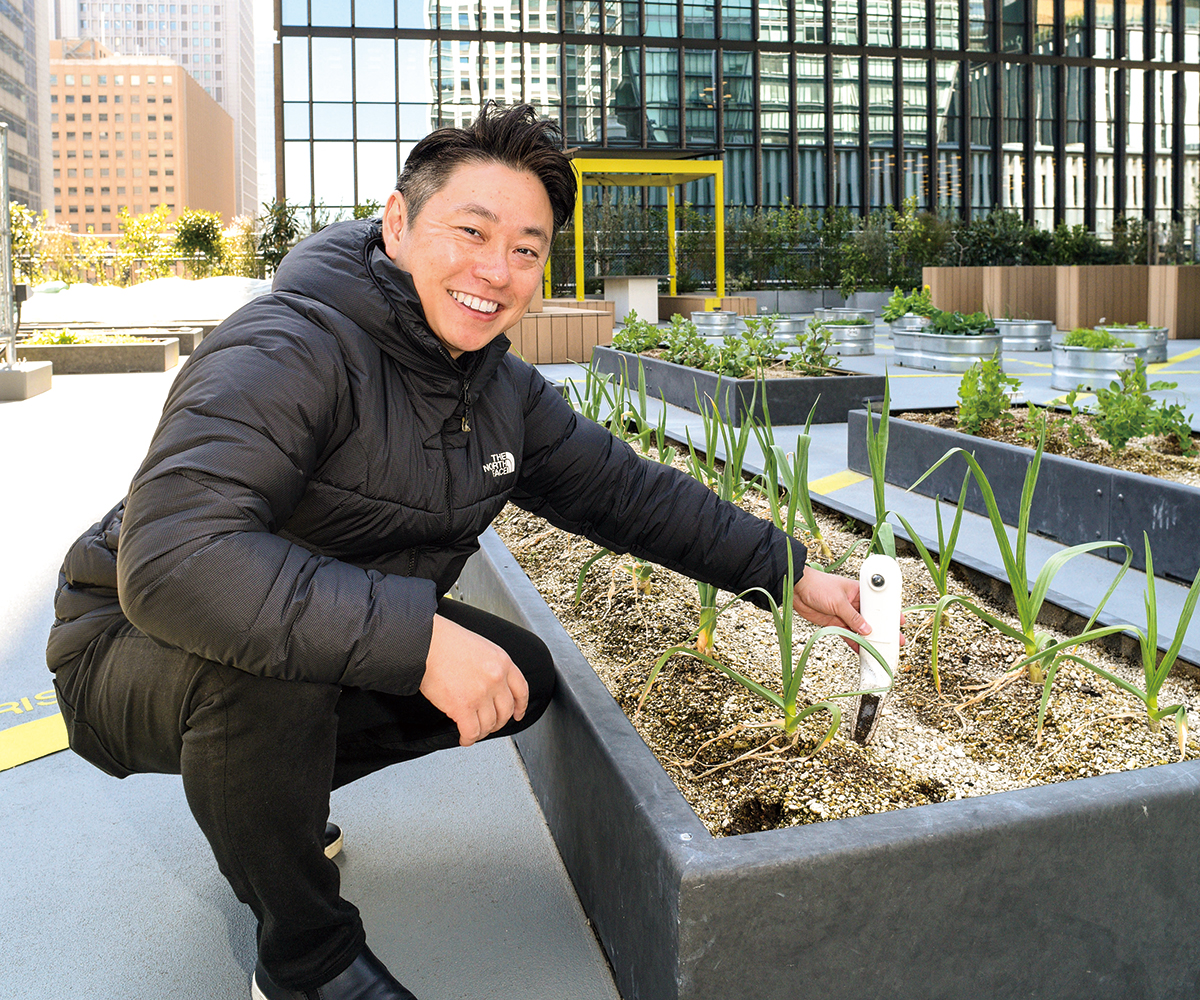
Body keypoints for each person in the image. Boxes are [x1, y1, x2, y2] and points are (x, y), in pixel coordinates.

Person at [46, 103, 874, 1000]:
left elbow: (630, 495)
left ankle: (268, 807)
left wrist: (790, 573)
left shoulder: (499, 387)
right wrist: (426, 641)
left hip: (301, 635)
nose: (496, 271)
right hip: (125, 648)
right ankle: (306, 961)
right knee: (271, 679)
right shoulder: (287, 346)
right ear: (398, 224)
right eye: (470, 231)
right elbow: (175, 560)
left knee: (521, 679)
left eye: (526, 248)